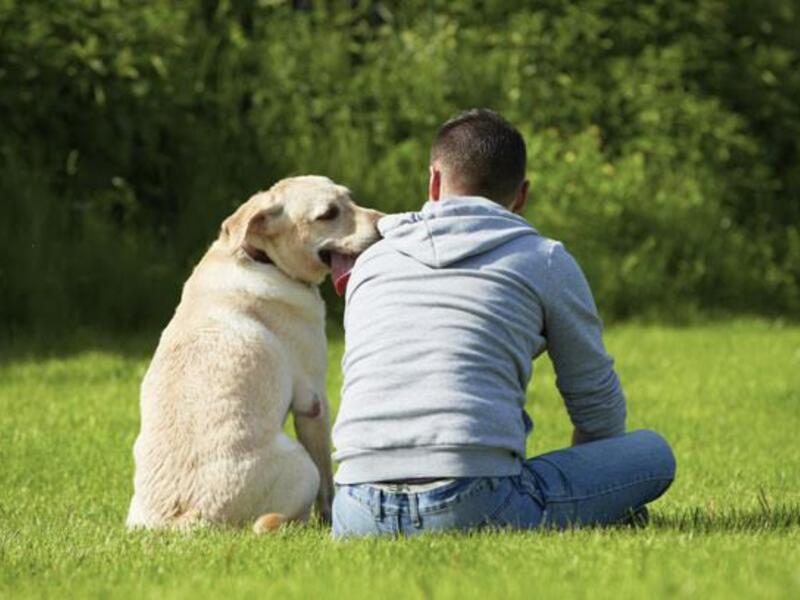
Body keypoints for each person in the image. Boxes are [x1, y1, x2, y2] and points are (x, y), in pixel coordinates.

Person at [331, 109, 675, 538]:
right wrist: (597, 488)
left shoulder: (372, 262)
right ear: (522, 195)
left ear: (434, 182)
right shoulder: (543, 259)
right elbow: (596, 402)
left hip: (353, 509)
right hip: (473, 502)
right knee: (654, 454)